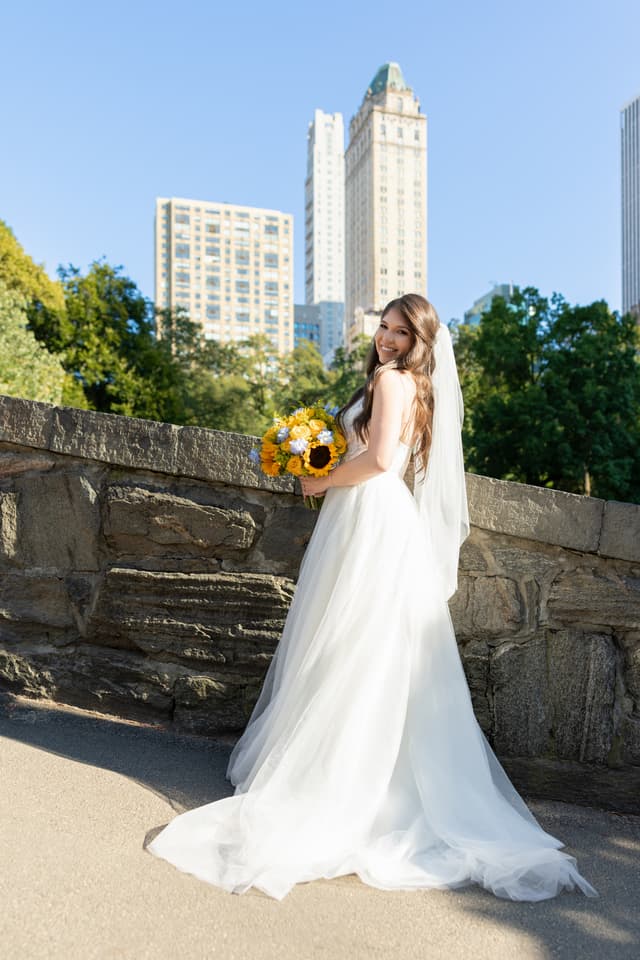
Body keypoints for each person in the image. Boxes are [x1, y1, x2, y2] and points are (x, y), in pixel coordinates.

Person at [148, 294, 598, 903]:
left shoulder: (393, 382)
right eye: (383, 328)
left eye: (400, 332)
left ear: (421, 341)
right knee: (361, 647)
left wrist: (316, 479)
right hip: (369, 518)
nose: (387, 339)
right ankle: (357, 773)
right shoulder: (403, 384)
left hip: (370, 519)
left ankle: (340, 783)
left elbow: (382, 461)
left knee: (354, 645)